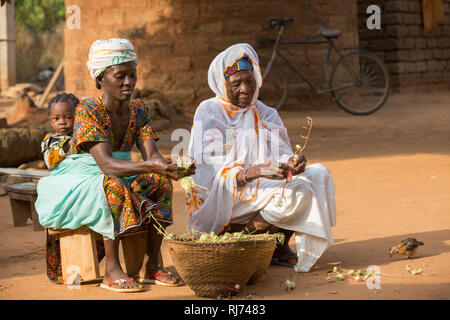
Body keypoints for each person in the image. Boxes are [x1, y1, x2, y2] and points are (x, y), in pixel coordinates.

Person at [35, 38, 194, 292]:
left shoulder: (139, 111)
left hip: (119, 172)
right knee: (114, 185)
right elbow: (107, 165)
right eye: (120, 76)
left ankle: (150, 265)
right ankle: (111, 268)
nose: (128, 82)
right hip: (80, 177)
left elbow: (152, 156)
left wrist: (171, 166)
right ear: (101, 80)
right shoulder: (87, 112)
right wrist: (152, 166)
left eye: (132, 75)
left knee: (161, 183)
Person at [185, 43, 336, 272]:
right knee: (298, 192)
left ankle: (278, 246)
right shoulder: (210, 112)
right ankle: (240, 244)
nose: (245, 89)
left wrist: (293, 162)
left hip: (261, 185)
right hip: (225, 194)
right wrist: (253, 172)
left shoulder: (265, 112)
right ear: (221, 83)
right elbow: (208, 172)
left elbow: (282, 154)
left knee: (319, 173)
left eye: (250, 80)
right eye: (236, 84)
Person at [41, 93, 79, 170]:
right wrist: (66, 146)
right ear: (50, 121)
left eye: (68, 117)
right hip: (61, 176)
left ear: (78, 117)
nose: (62, 122)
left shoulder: (82, 135)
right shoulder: (50, 140)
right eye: (56, 118)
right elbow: (49, 161)